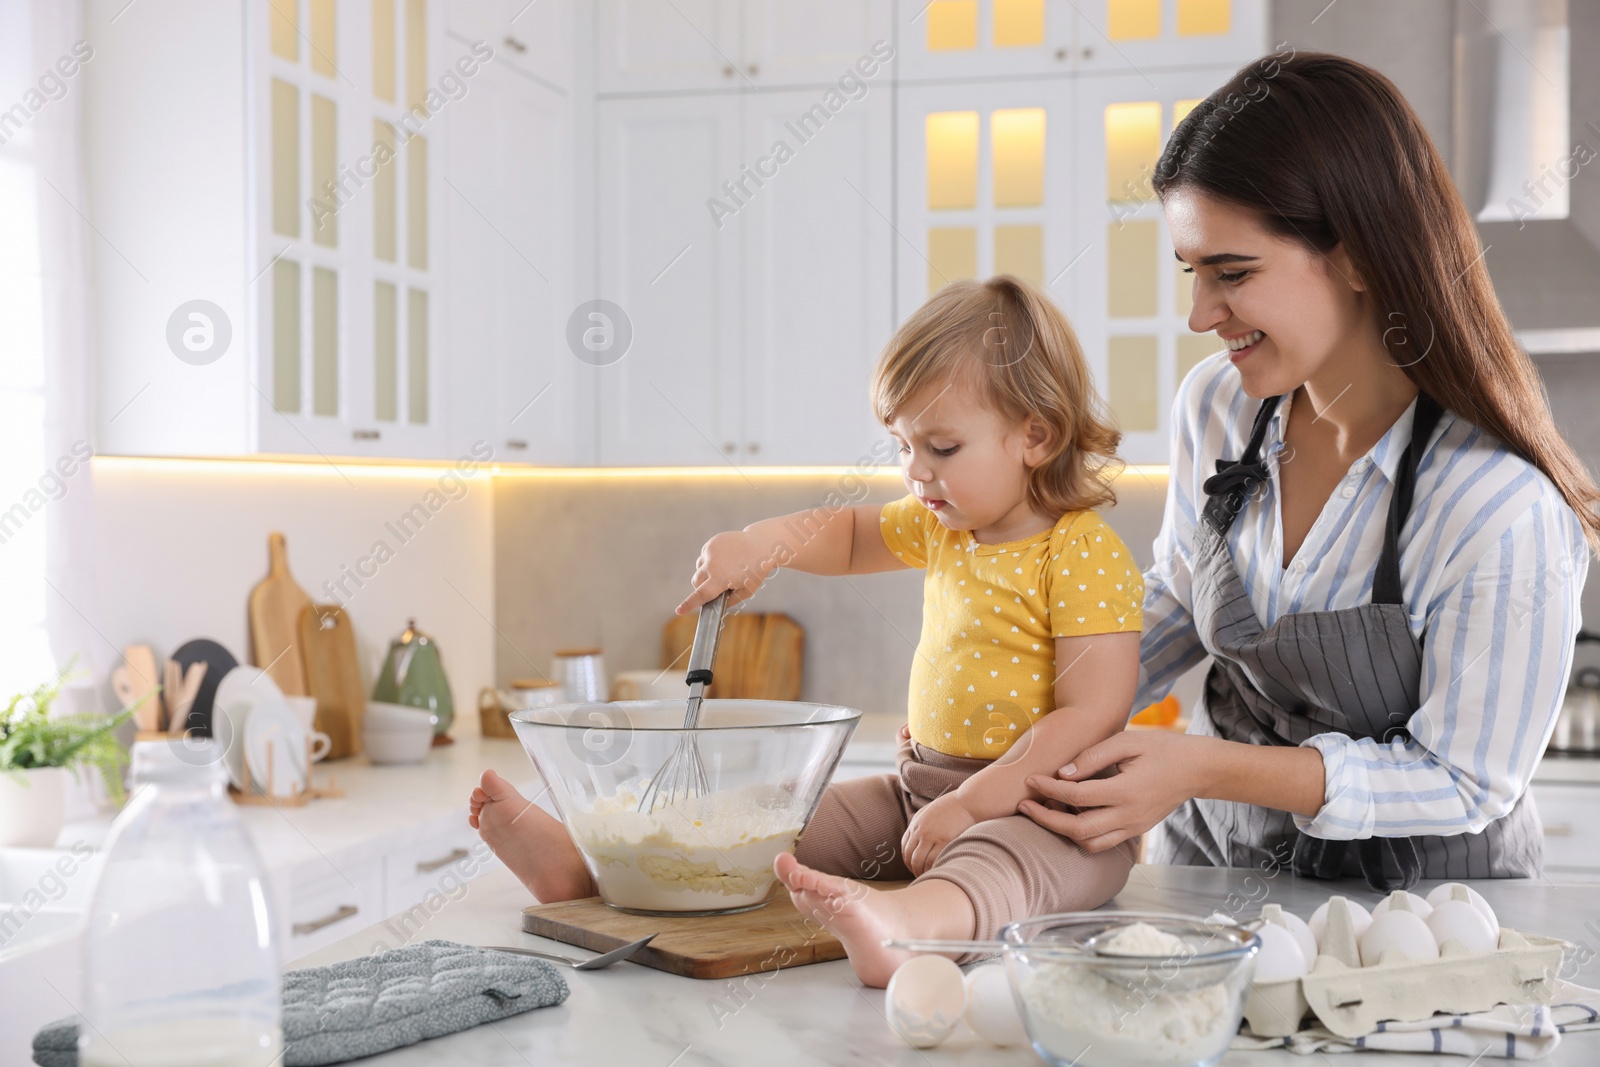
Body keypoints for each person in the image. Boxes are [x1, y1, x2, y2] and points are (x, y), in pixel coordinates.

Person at [1018, 51, 1597, 889]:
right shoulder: (1217, 404)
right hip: (1214, 873)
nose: (1198, 314)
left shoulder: (1495, 507)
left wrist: (1197, 765)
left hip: (1423, 925)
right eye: (1193, 272)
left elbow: (1466, 777)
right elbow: (1180, 599)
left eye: (1233, 273)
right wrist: (1020, 700)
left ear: (1359, 255)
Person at [470, 275, 1145, 987]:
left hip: (1048, 814)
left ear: (1035, 436)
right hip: (921, 795)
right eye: (903, 445)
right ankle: (597, 870)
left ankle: (910, 927)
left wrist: (976, 802)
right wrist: (760, 542)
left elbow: (1093, 710)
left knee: (1002, 868)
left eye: (941, 446)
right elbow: (850, 536)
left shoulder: (1081, 551)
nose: (916, 471)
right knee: (775, 823)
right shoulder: (946, 526)